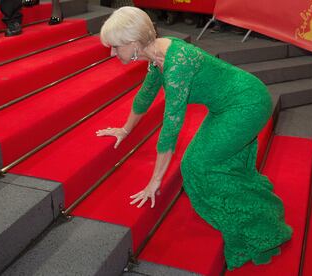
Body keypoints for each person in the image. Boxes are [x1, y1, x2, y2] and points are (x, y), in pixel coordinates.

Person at [96, 7, 292, 270]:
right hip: (228, 106)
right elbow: (145, 95)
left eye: (114, 47)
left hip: (247, 104)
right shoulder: (156, 53)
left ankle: (260, 224)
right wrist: (124, 129)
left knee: (196, 165)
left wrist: (155, 181)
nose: (111, 52)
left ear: (133, 43)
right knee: (201, 162)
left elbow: (171, 126)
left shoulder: (176, 64)